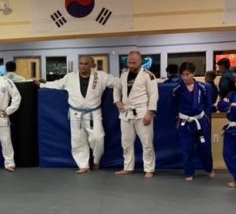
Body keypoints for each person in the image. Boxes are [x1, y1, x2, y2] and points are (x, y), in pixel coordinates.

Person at [38, 55, 117, 173]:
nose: (82, 66)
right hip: (76, 113)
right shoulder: (70, 77)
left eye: (85, 64)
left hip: (93, 113)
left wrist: (121, 94)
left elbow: (117, 82)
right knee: (78, 140)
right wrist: (42, 85)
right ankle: (83, 166)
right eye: (81, 63)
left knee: (98, 137)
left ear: (91, 65)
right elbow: (57, 84)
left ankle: (96, 160)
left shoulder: (100, 76)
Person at [113, 50, 158, 178]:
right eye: (129, 62)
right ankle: (128, 167)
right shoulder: (123, 74)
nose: (131, 65)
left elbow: (154, 95)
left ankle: (149, 169)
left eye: (134, 63)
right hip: (126, 113)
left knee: (147, 143)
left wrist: (150, 112)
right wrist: (117, 101)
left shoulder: (148, 75)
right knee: (126, 143)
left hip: (142, 112)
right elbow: (116, 88)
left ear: (140, 61)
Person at [172, 61, 214, 181]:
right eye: (182, 75)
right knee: (187, 149)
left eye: (187, 74)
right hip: (185, 122)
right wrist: (177, 118)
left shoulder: (203, 88)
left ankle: (209, 168)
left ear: (193, 73)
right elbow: (174, 106)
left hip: (200, 121)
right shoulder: (177, 89)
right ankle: (189, 172)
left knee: (205, 148)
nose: (185, 77)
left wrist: (207, 117)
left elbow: (208, 104)